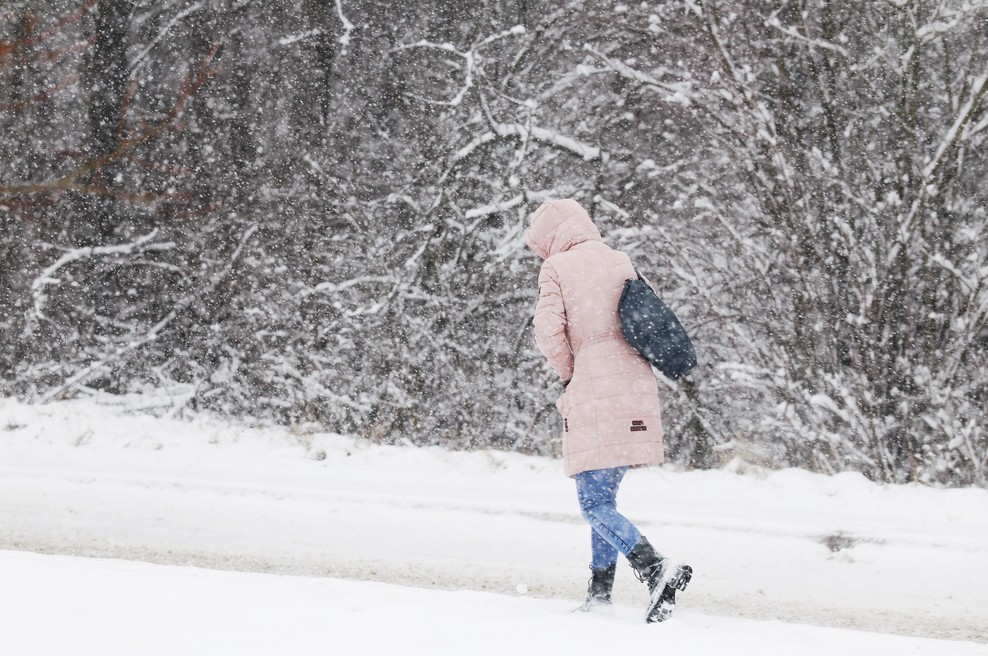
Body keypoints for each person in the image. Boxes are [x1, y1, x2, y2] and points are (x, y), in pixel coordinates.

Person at [524, 198, 692, 623]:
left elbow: (547, 331)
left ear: (551, 238)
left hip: (595, 384)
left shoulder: (556, 269)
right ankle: (599, 595)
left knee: (593, 504)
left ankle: (654, 565)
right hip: (636, 382)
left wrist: (570, 372)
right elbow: (646, 318)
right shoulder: (620, 259)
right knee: (604, 498)